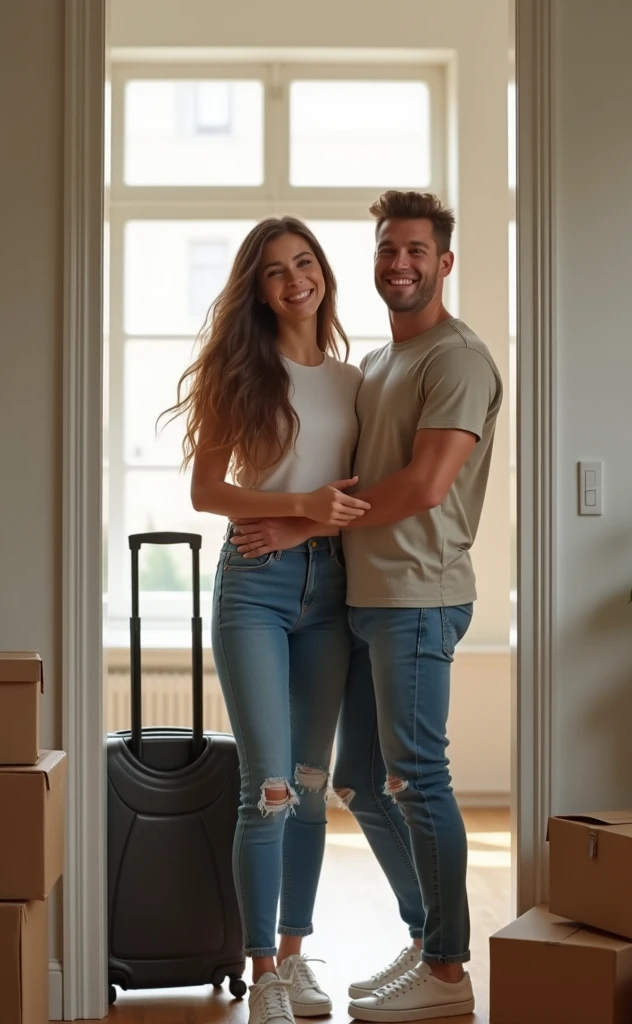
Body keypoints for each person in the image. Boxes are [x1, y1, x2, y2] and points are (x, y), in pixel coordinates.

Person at [231, 190, 503, 1021]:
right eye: (388, 249)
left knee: (418, 778)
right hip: (360, 597)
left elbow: (424, 486)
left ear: (444, 262)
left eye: (417, 250)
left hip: (418, 595)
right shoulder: (380, 366)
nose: (400, 264)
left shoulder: (457, 358)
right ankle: (427, 938)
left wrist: (296, 518)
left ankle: (447, 971)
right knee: (356, 779)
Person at [164, 216, 371, 1024]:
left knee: (313, 788)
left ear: (323, 271)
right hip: (253, 583)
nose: (296, 280)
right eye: (276, 271)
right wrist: (298, 504)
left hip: (333, 588)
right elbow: (207, 492)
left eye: (306, 262)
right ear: (257, 288)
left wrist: (313, 522)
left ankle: (296, 955)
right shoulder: (243, 373)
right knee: (271, 788)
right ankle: (263, 977)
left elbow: (363, 499)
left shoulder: (358, 383)